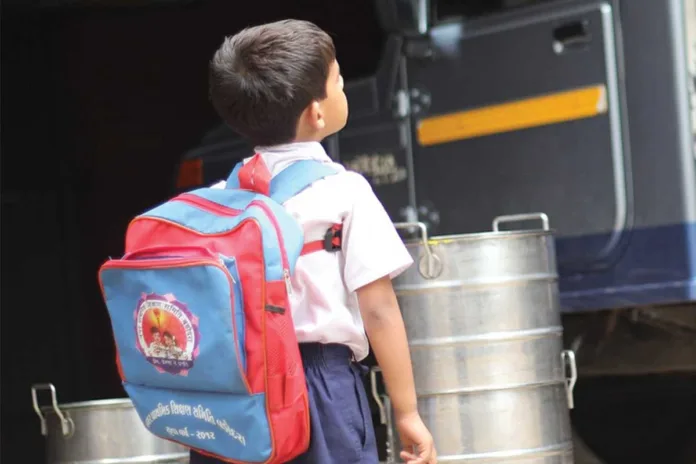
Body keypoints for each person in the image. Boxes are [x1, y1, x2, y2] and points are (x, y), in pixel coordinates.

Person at [193, 19, 437, 464]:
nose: (344, 87)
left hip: (233, 393)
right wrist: (407, 412)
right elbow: (379, 311)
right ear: (317, 113)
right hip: (318, 388)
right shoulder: (344, 192)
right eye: (338, 81)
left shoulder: (217, 203)